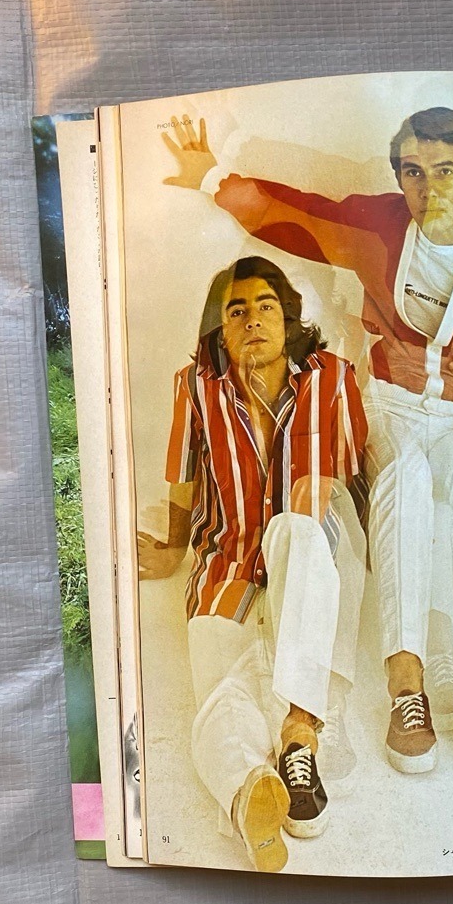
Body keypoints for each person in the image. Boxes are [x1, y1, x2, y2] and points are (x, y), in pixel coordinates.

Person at [163, 109, 453, 775]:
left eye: (445, 171)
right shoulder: (381, 225)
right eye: (412, 172)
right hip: (394, 403)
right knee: (404, 476)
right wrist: (214, 178)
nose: (428, 188)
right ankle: (405, 683)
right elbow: (298, 216)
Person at [137, 256, 368, 872]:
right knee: (217, 693)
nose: (252, 320)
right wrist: (175, 546)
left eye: (266, 305)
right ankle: (249, 796)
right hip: (227, 562)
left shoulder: (333, 378)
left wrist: (355, 552)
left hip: (309, 556)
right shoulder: (195, 387)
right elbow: (184, 476)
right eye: (235, 311)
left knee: (299, 525)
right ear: (219, 328)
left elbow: (353, 477)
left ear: (288, 317)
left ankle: (299, 732)